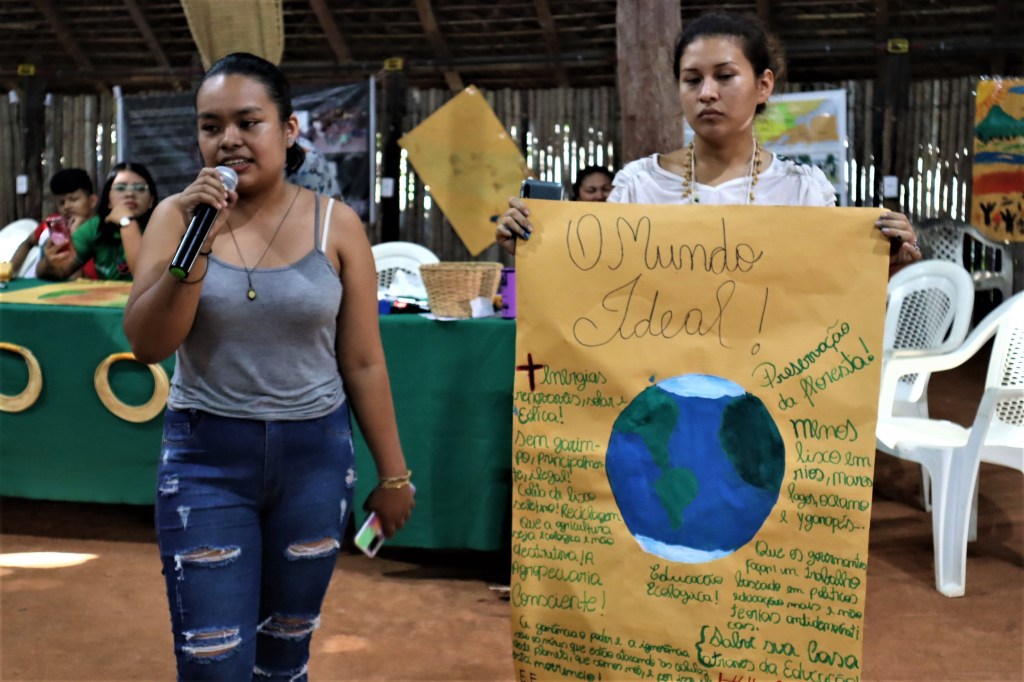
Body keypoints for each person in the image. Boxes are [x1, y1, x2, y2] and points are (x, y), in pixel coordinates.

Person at [122, 52, 414, 680]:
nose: (228, 139)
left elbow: (362, 362)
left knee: (284, 658)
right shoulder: (177, 217)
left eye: (248, 122)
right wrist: (194, 247)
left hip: (315, 462)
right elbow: (148, 343)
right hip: (206, 462)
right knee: (213, 662)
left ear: (287, 130)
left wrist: (394, 477)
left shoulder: (337, 226)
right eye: (210, 125)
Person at [496, 11, 922, 275]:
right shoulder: (640, 187)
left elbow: (828, 291)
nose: (707, 93)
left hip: (776, 393)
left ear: (763, 85)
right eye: (692, 79)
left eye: (725, 75)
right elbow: (602, 280)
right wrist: (534, 247)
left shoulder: (802, 190)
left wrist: (881, 266)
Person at [36, 162, 158, 280]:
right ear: (108, 199)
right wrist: (48, 262)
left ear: (151, 200)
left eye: (140, 188)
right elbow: (59, 271)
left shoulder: (162, 227)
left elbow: (144, 278)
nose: (130, 194)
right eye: (120, 188)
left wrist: (126, 222)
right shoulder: (95, 226)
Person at [10, 168, 97, 279]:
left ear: (92, 201)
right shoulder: (53, 224)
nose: (66, 206)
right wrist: (8, 272)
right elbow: (28, 243)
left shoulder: (100, 230)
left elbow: (78, 280)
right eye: (61, 202)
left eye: (74, 199)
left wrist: (76, 237)